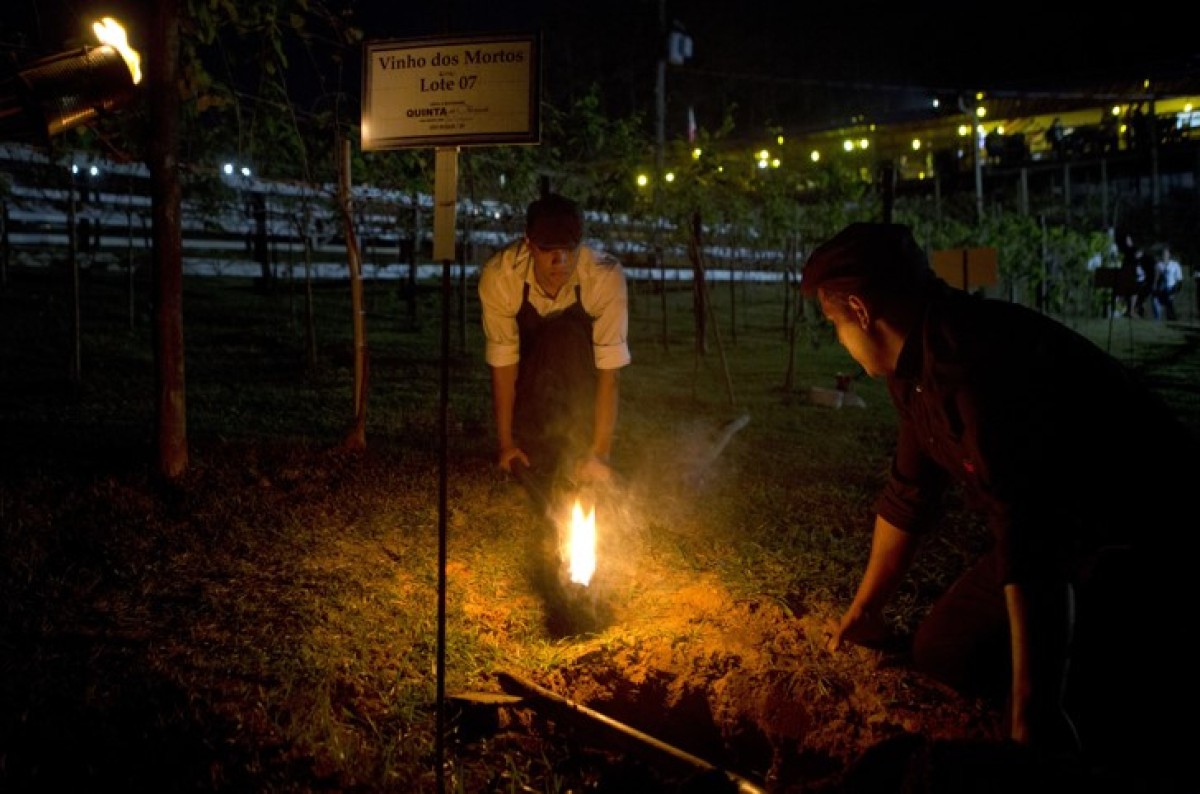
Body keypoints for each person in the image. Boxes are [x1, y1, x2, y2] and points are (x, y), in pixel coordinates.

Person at [804, 223, 1199, 776]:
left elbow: (1031, 536)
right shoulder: (913, 366)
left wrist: (1035, 710)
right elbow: (908, 495)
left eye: (834, 326)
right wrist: (866, 611)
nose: (839, 340)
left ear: (859, 309)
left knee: (1076, 692)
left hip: (1144, 529)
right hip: (1059, 533)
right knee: (944, 649)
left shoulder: (974, 365)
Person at [478, 192, 630, 491]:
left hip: (580, 379)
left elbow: (610, 372)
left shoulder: (604, 277)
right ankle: (533, 438)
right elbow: (503, 364)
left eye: (568, 249)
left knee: (567, 338)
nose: (558, 260)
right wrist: (506, 444)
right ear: (529, 243)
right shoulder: (501, 277)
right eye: (547, 249)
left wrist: (600, 453)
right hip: (530, 378)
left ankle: (583, 443)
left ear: (580, 244)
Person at [1152, 244, 1184, 320]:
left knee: (1169, 305)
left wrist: (1175, 291)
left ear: (1169, 254)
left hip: (1171, 288)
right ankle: (1157, 319)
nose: (1164, 255)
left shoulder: (1175, 265)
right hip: (1161, 288)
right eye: (1163, 254)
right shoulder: (1158, 265)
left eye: (1166, 253)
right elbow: (1156, 278)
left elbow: (1179, 280)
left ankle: (1172, 318)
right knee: (1156, 302)